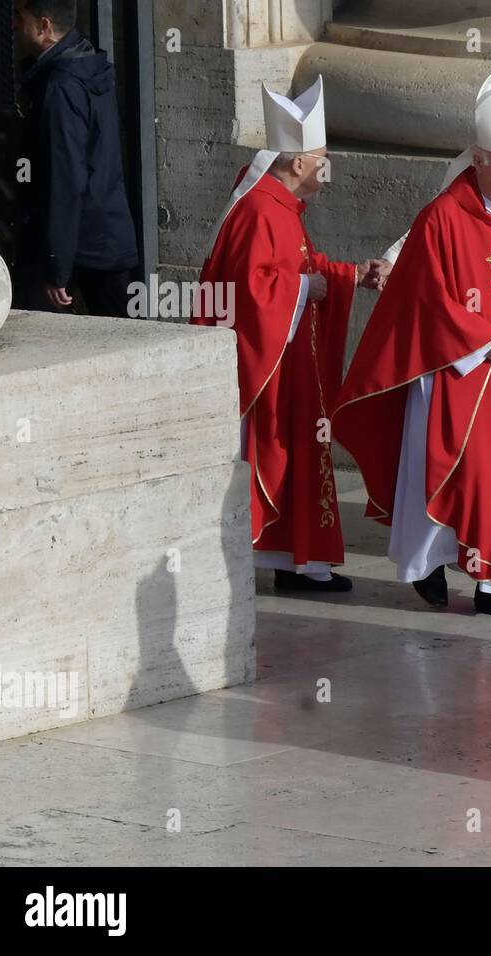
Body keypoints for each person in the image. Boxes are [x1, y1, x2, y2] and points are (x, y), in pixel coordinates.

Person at [333, 60, 491, 621]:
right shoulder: (442, 217)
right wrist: (479, 341)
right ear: (479, 159)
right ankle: (428, 567)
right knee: (457, 472)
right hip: (452, 369)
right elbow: (421, 296)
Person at [195, 76, 387, 593]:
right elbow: (251, 291)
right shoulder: (259, 209)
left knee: (300, 448)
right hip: (270, 366)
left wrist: (347, 274)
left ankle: (298, 561)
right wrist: (309, 285)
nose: (329, 168)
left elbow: (298, 266)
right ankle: (290, 559)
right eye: (323, 158)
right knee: (279, 448)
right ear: (298, 164)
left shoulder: (281, 205)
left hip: (292, 358)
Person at [11, 0, 138, 317]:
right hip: (103, 235)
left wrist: (56, 266)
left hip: (78, 244)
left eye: (19, 16)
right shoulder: (86, 64)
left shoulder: (61, 87)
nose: (13, 24)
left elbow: (63, 178)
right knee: (122, 338)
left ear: (44, 27)